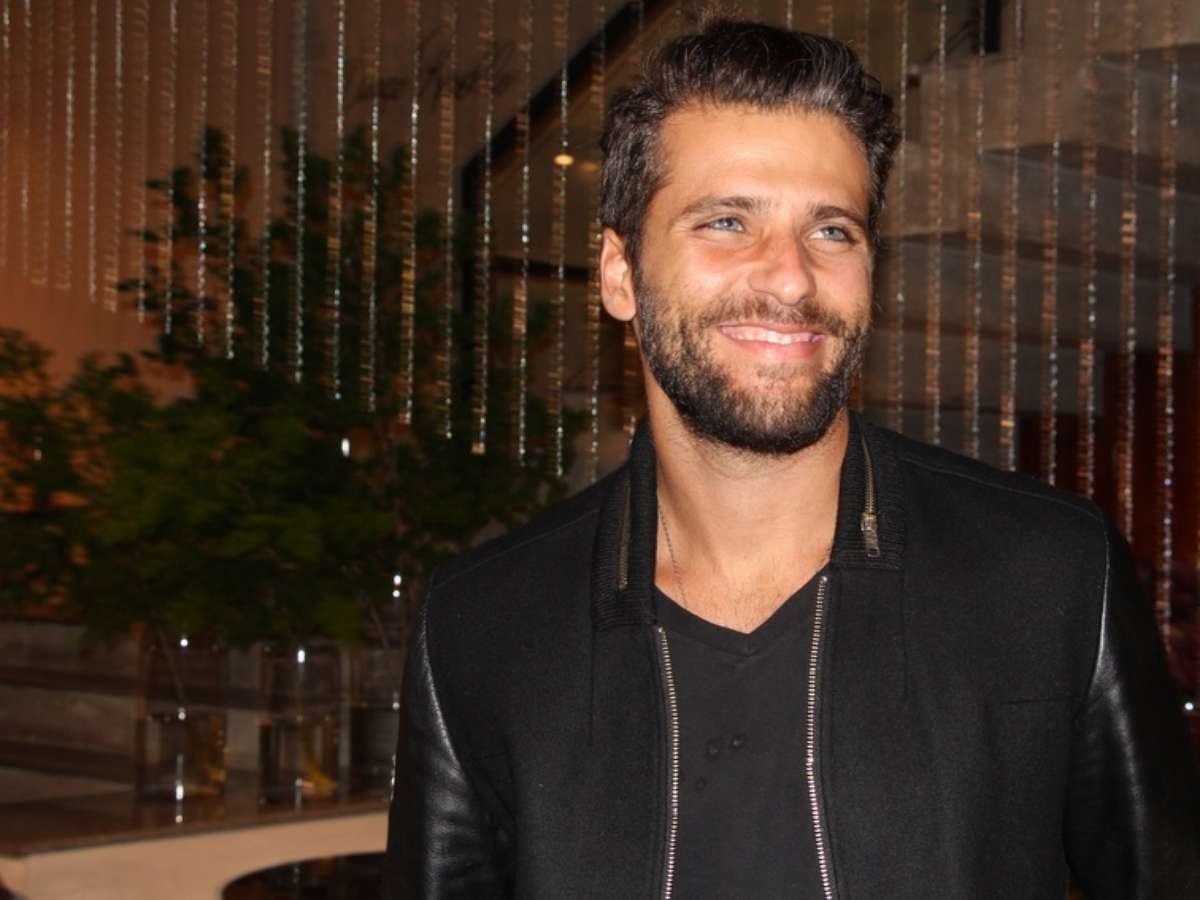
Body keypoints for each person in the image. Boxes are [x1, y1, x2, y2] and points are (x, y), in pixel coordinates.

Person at [385, 15, 1200, 899]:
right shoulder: (484, 626)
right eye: (727, 221)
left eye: (832, 231)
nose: (789, 277)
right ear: (620, 275)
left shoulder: (1049, 576)